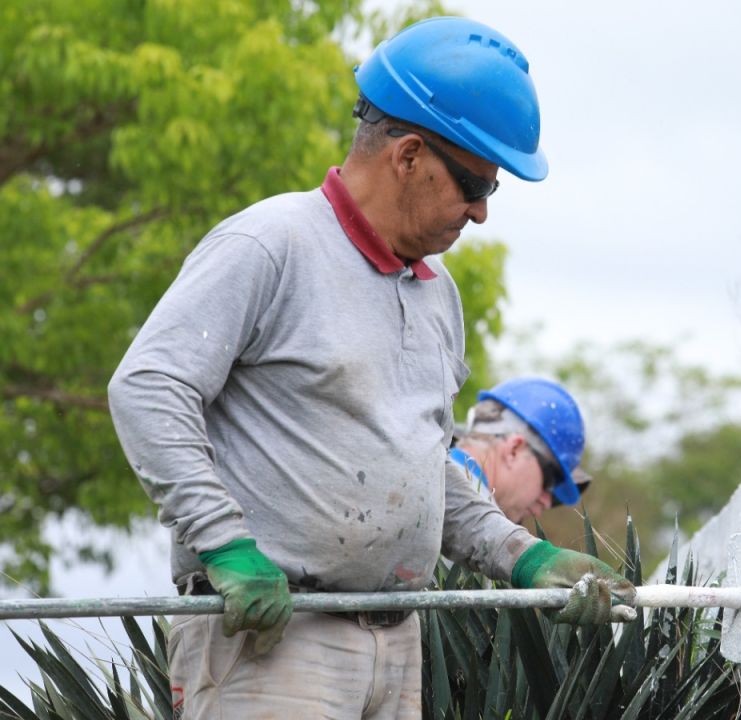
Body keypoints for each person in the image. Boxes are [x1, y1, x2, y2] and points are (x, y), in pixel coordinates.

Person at [107, 17, 634, 719]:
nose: (480, 213)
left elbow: (420, 464)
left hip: (395, 640)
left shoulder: (436, 293)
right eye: (476, 183)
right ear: (409, 155)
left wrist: (524, 557)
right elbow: (148, 387)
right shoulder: (271, 245)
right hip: (273, 637)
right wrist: (225, 545)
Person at [451, 377, 592, 524]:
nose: (547, 503)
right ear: (514, 449)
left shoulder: (438, 479)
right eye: (549, 480)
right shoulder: (455, 514)